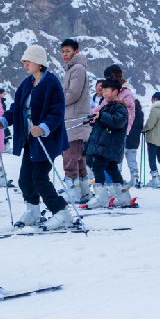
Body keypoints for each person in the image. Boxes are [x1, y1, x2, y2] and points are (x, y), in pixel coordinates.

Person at [0, 44, 75, 230]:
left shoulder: (52, 83)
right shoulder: (26, 83)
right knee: (24, 179)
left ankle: (62, 213)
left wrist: (44, 127)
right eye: (24, 61)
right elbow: (16, 108)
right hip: (30, 140)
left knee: (39, 177)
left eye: (28, 61)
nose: (25, 65)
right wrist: (2, 121)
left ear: (39, 62)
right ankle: (33, 210)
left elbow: (57, 111)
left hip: (47, 140)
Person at [84, 78, 129, 208]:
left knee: (98, 168)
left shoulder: (120, 107)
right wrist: (96, 121)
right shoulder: (107, 107)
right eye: (102, 91)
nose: (103, 93)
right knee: (112, 169)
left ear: (115, 91)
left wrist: (101, 116)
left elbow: (118, 122)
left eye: (106, 90)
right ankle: (124, 196)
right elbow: (107, 125)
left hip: (109, 146)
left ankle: (101, 197)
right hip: (105, 145)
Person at [59, 39, 92, 203]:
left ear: (76, 52)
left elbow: (73, 94)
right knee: (78, 159)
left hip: (74, 120)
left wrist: (55, 102)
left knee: (70, 157)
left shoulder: (77, 69)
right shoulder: (72, 69)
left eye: (68, 51)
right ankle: (83, 192)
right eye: (63, 51)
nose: (65, 54)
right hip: (74, 120)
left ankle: (72, 192)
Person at [123, 98, 144, 187]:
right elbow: (141, 127)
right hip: (135, 141)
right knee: (132, 161)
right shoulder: (140, 114)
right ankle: (135, 178)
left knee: (119, 161)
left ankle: (117, 179)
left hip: (125, 139)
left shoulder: (128, 113)